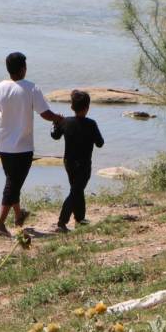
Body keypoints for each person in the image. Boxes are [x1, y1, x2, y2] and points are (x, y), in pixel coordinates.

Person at [0, 52, 64, 237]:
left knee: (13, 180)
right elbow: (45, 114)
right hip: (23, 145)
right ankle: (0, 224)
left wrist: (3, 114)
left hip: (3, 144)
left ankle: (19, 216)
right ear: (22, 69)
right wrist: (59, 118)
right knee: (13, 183)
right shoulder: (31, 88)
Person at [51, 90, 104, 232]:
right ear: (87, 108)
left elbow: (54, 136)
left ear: (72, 107)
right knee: (76, 190)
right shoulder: (91, 124)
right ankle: (62, 222)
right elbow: (100, 143)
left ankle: (80, 218)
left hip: (69, 163)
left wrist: (55, 123)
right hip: (84, 164)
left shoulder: (65, 122)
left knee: (76, 189)